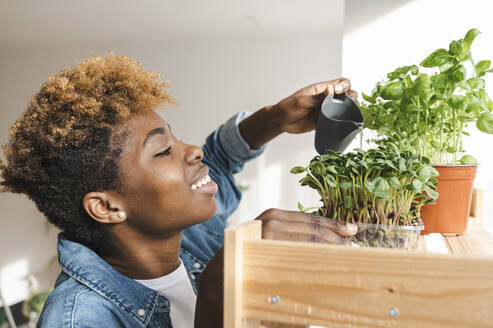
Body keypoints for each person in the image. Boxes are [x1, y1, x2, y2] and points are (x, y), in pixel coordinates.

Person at [0, 54, 358, 328]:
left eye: (176, 136)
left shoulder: (189, 238)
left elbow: (219, 157)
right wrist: (219, 292)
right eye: (163, 151)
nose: (192, 151)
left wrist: (275, 118)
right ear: (107, 207)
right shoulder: (80, 319)